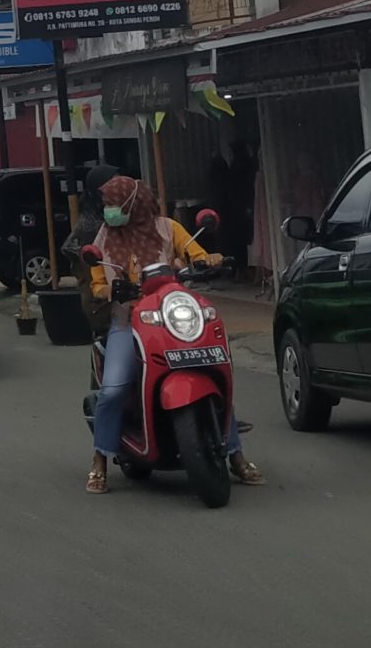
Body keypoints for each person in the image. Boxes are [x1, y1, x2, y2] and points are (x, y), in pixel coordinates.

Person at [85, 174, 262, 494]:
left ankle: (235, 454)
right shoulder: (104, 237)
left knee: (211, 368)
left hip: (174, 316)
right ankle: (100, 460)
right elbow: (97, 280)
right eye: (107, 204)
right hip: (129, 320)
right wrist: (105, 289)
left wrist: (207, 258)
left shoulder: (168, 228)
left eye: (114, 203)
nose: (109, 210)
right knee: (113, 390)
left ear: (132, 203)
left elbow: (194, 251)